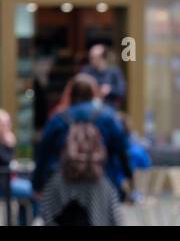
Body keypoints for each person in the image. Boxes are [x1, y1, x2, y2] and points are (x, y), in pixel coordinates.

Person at [33, 74, 131, 225]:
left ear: (70, 94)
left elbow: (43, 154)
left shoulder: (58, 119)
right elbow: (122, 149)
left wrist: (38, 184)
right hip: (100, 183)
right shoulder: (108, 116)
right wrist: (128, 177)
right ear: (94, 93)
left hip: (62, 184)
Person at [79, 42, 127, 110]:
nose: (91, 60)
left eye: (94, 58)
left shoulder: (114, 72)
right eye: (90, 57)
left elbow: (121, 91)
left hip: (109, 107)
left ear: (103, 58)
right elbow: (78, 89)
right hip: (89, 108)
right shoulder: (86, 71)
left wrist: (110, 90)